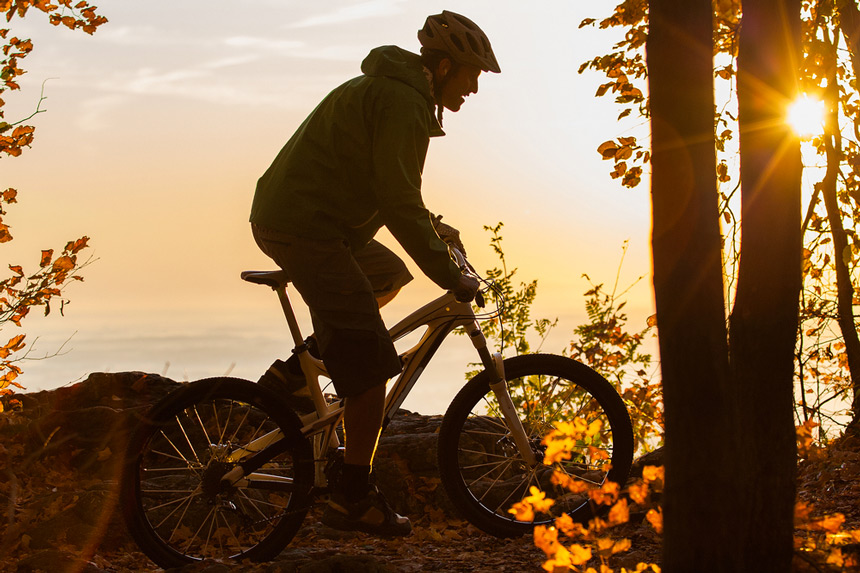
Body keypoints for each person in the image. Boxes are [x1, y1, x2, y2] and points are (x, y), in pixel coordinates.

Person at [248, 10, 500, 537]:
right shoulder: (404, 102)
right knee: (369, 374)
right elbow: (397, 197)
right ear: (446, 64)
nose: (474, 88)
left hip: (308, 222)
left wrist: (435, 229)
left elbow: (391, 186)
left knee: (387, 272)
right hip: (308, 229)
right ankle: (352, 497)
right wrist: (451, 277)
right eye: (472, 75)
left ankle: (297, 374)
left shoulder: (395, 92)